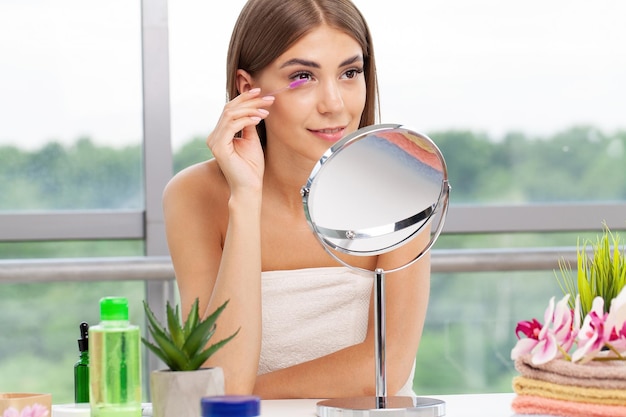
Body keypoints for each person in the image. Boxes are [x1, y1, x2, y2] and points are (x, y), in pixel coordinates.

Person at [163, 0, 431, 399]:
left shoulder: (400, 182)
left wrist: (243, 392)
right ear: (246, 89)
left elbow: (384, 369)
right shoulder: (193, 196)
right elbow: (221, 377)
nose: (334, 104)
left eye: (350, 72)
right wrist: (245, 198)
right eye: (303, 76)